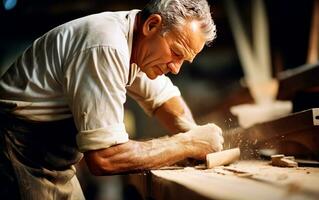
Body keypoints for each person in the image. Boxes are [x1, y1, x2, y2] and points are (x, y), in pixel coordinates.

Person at [0, 0, 224, 199]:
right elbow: (104, 158)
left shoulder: (140, 44)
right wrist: (187, 144)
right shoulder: (106, 45)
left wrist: (195, 136)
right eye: (176, 52)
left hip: (50, 160)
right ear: (152, 25)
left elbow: (164, 99)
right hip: (17, 153)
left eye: (184, 60)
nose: (176, 68)